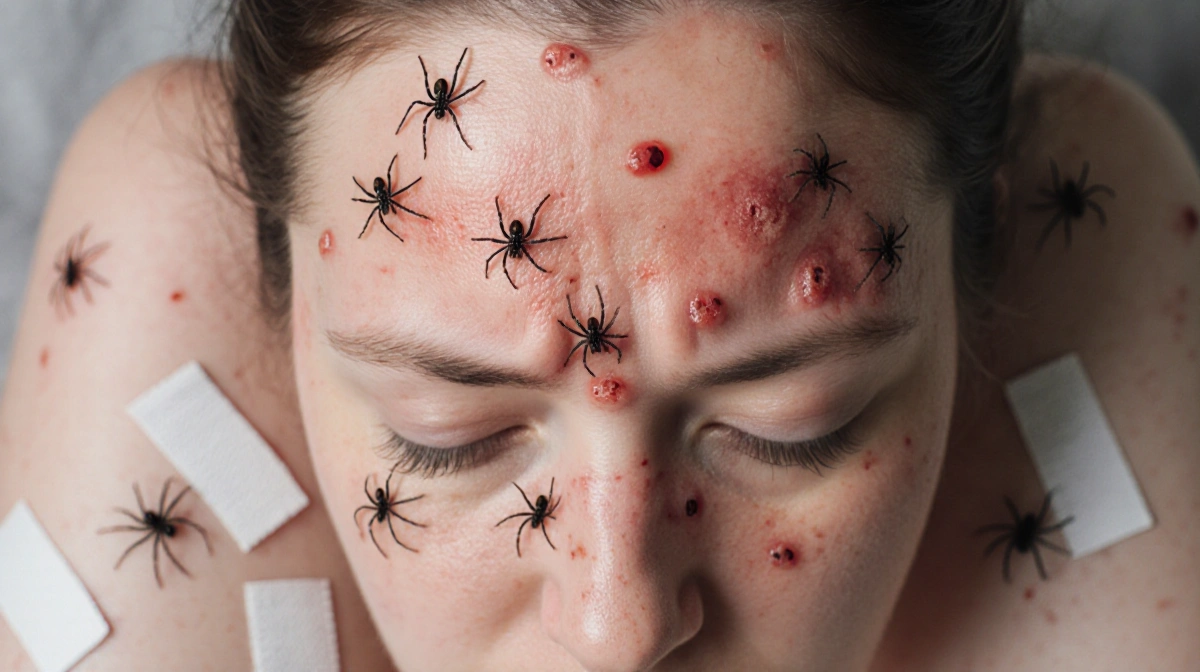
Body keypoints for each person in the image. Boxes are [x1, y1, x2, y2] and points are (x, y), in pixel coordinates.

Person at [1, 1, 1197, 669]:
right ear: (281, 300)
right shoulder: (173, 249)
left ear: (979, 271)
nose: (618, 627)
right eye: (447, 434)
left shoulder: (1076, 235)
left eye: (790, 425)